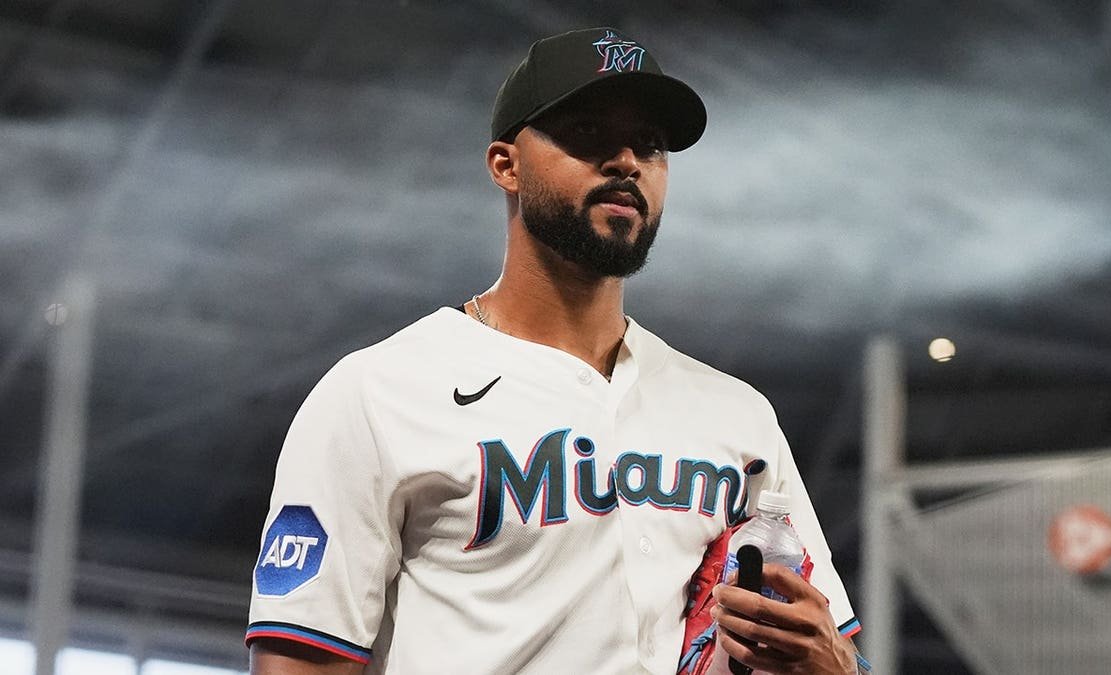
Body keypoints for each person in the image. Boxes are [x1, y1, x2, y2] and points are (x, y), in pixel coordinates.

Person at [246, 27, 863, 675]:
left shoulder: (738, 416)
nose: (626, 161)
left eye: (650, 145)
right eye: (589, 134)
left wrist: (837, 666)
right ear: (506, 164)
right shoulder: (378, 391)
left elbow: (833, 646)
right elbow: (298, 663)